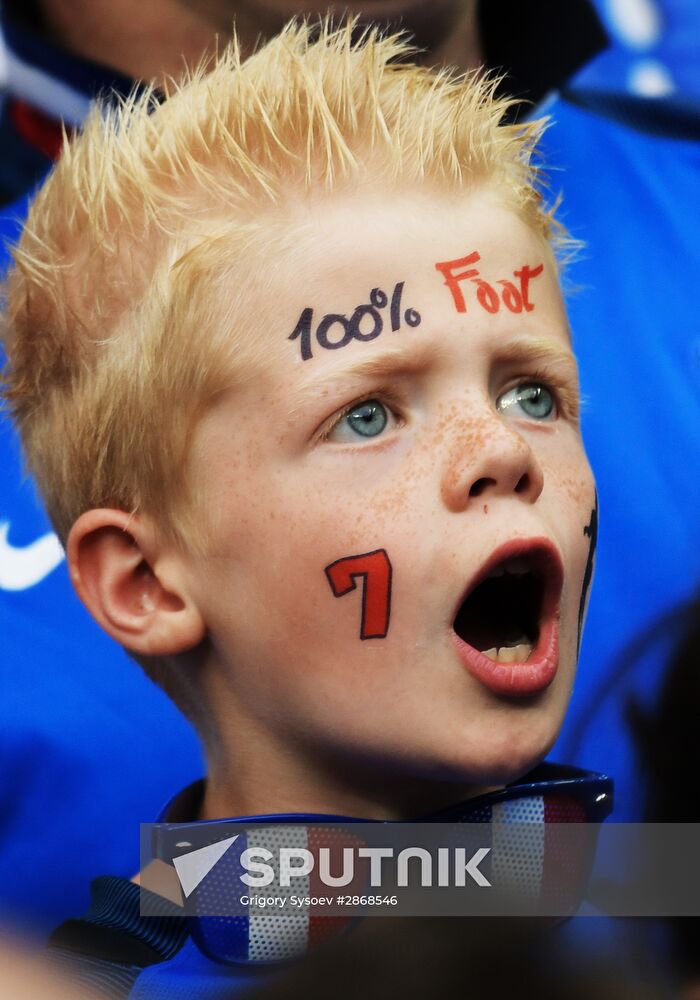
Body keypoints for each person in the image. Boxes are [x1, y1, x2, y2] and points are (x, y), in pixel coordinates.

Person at [1, 20, 610, 996]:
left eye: (531, 393)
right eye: (367, 414)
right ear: (148, 581)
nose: (499, 448)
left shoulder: (662, 918)